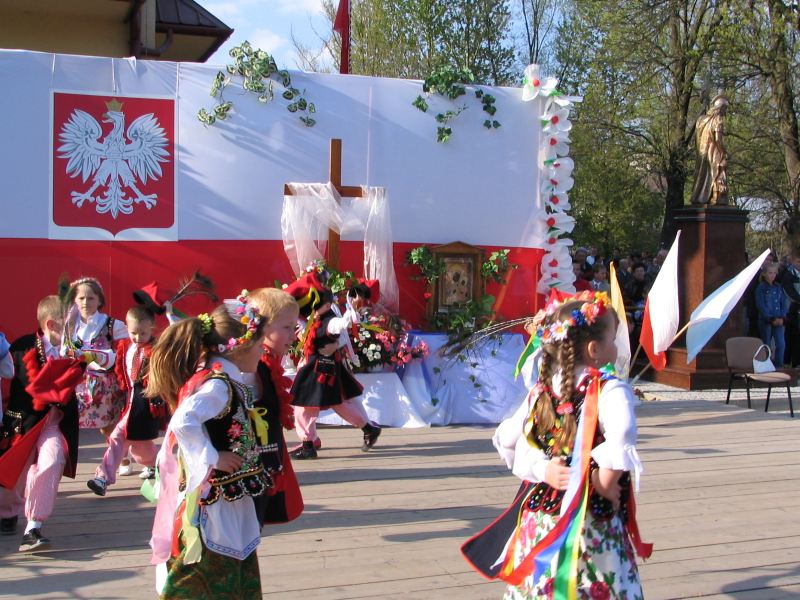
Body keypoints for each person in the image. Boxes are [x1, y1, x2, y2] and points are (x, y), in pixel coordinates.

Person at [461, 291, 651, 598]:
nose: (617, 346)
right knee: (594, 577)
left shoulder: (541, 391)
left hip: (544, 512)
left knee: (543, 582)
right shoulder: (610, 388)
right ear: (594, 349)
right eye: (613, 339)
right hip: (589, 515)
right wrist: (604, 480)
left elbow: (509, 439)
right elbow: (623, 432)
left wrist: (542, 469)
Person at [147, 297, 275, 598]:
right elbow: (184, 421)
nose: (263, 351)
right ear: (240, 347)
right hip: (216, 496)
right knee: (210, 561)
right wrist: (213, 456)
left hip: (228, 492)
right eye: (260, 344)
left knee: (233, 552)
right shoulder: (218, 385)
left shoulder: (223, 379)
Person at [0, 296, 84, 551]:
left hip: (55, 423)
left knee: (53, 461)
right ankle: (7, 512)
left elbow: (103, 362)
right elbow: (14, 379)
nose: (77, 327)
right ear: (52, 324)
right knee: (13, 475)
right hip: (24, 421)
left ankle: (33, 527)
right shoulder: (21, 347)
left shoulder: (76, 349)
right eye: (72, 323)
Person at [285, 273, 381, 459]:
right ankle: (368, 429)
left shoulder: (330, 321)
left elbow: (342, 325)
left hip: (319, 370)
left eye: (315, 307)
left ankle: (308, 444)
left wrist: (352, 308)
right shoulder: (313, 318)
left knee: (305, 406)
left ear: (328, 305)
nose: (311, 311)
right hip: (317, 367)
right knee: (337, 404)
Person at [87, 305, 165, 496]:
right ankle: (103, 478)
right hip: (129, 402)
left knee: (136, 446)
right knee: (129, 443)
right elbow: (114, 365)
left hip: (145, 404)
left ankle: (161, 466)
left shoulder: (157, 351)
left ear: (152, 328)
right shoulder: (125, 347)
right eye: (133, 333)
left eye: (143, 333)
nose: (138, 337)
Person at [248, 287, 304, 526]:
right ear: (261, 327)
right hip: (253, 460)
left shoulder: (268, 362)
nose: (293, 334)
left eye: (294, 327)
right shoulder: (253, 366)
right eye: (287, 328)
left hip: (267, 453)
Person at [63, 277, 128, 439]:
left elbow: (127, 349)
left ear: (99, 300)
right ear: (75, 300)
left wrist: (100, 356)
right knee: (71, 427)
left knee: (109, 429)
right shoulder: (70, 325)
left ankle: (119, 454)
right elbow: (62, 351)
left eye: (91, 298)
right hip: (76, 385)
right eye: (81, 298)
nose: (86, 302)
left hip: (104, 387)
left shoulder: (112, 324)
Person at [755, 262, 789, 367]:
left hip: (779, 319)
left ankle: (779, 365)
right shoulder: (761, 287)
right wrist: (770, 318)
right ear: (764, 274)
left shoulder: (778, 287)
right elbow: (760, 305)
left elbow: (783, 303)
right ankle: (766, 365)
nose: (773, 275)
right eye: (770, 273)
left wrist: (782, 317)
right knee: (767, 344)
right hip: (766, 320)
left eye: (774, 273)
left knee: (781, 344)